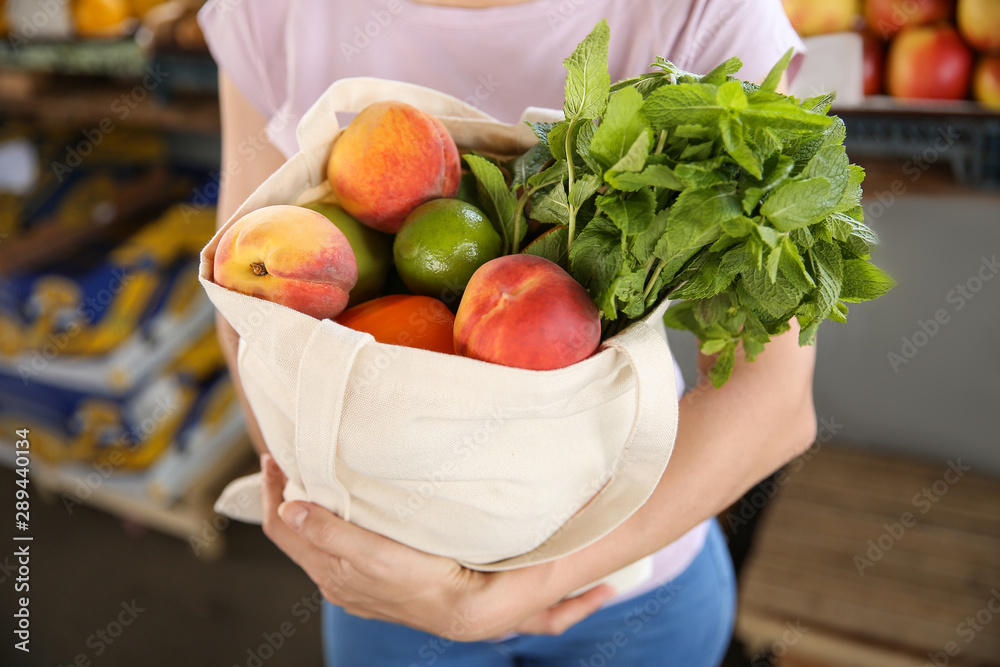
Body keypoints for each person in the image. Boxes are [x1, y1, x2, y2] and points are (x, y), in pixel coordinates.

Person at [199, 1, 815, 665]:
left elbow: (773, 401)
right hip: (391, 585)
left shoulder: (706, 13)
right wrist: (316, 518)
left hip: (630, 576)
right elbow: (246, 308)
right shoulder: (268, 12)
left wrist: (515, 587)